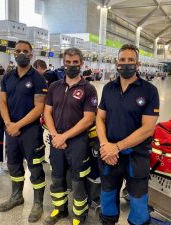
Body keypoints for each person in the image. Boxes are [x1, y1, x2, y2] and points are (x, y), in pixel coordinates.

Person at [96, 44, 160, 225]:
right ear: (117, 63)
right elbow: (100, 119)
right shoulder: (108, 88)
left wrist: (116, 147)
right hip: (109, 154)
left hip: (136, 156)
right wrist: (105, 146)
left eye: (131, 60)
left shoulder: (149, 91)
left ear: (138, 64)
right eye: (122, 60)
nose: (126, 64)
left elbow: (147, 128)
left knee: (139, 202)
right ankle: (107, 221)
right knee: (107, 196)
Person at [43, 47, 98, 225]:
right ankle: (59, 210)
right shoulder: (54, 87)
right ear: (63, 63)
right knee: (56, 178)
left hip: (78, 143)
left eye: (75, 63)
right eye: (68, 62)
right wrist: (54, 135)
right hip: (56, 140)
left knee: (77, 181)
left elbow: (88, 119)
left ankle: (79, 216)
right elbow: (47, 113)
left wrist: (64, 137)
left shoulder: (88, 89)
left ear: (81, 63)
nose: (71, 66)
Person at [0, 40, 48, 223]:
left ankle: (37, 203)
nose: (21, 53)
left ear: (31, 54)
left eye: (25, 51)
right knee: (13, 164)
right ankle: (16, 196)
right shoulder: (8, 77)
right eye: (18, 50)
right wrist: (8, 123)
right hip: (11, 129)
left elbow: (39, 108)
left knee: (35, 167)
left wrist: (17, 125)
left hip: (30, 132)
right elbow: (2, 102)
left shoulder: (37, 78)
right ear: (13, 53)